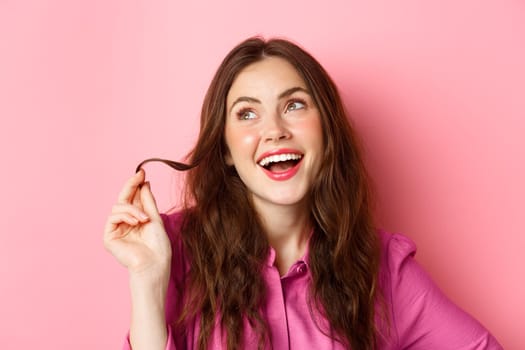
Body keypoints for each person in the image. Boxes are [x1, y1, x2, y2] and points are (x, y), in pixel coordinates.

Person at [104, 37, 502, 350]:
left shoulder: (383, 270)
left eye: (294, 105)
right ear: (224, 149)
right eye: (247, 113)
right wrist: (146, 279)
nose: (274, 129)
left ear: (327, 132)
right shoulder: (172, 251)